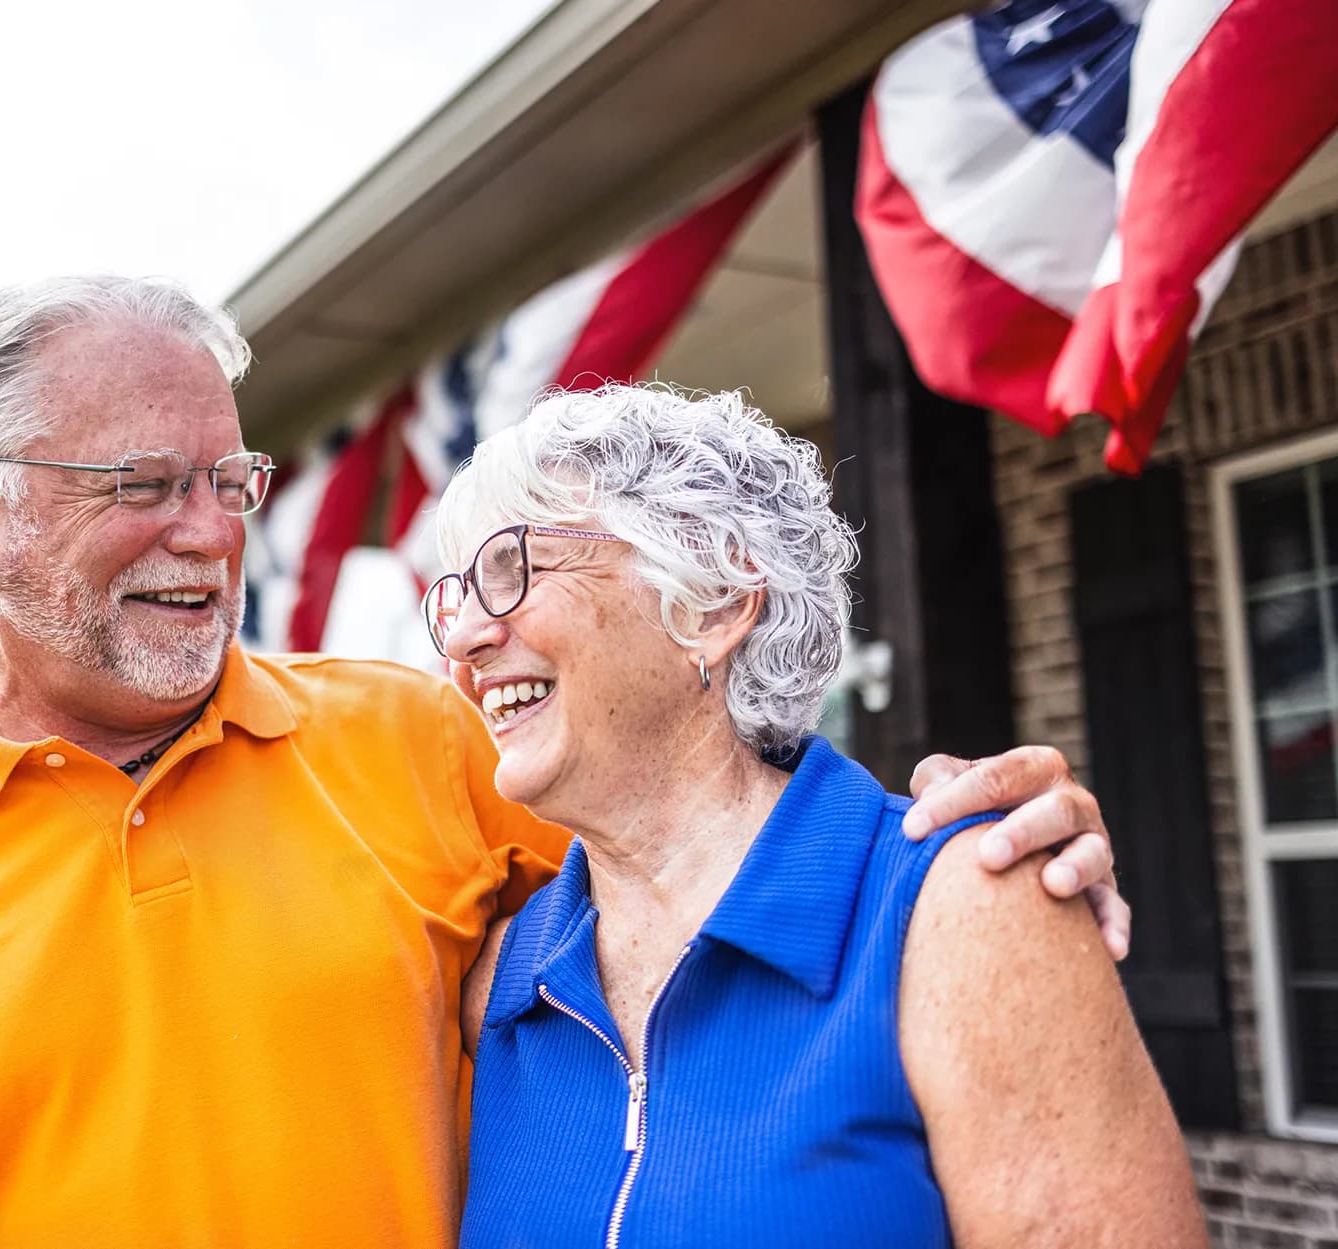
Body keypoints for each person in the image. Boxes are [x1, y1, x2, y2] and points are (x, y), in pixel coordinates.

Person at [0, 276, 1130, 1248]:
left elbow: (708, 828)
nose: (209, 534)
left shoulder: (426, 743)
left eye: (230, 481)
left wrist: (975, 838)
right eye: (144, 485)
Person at [438, 385, 1204, 1247]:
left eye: (515, 568)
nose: (462, 640)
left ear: (714, 601)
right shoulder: (499, 988)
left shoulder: (959, 911)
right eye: (456, 596)